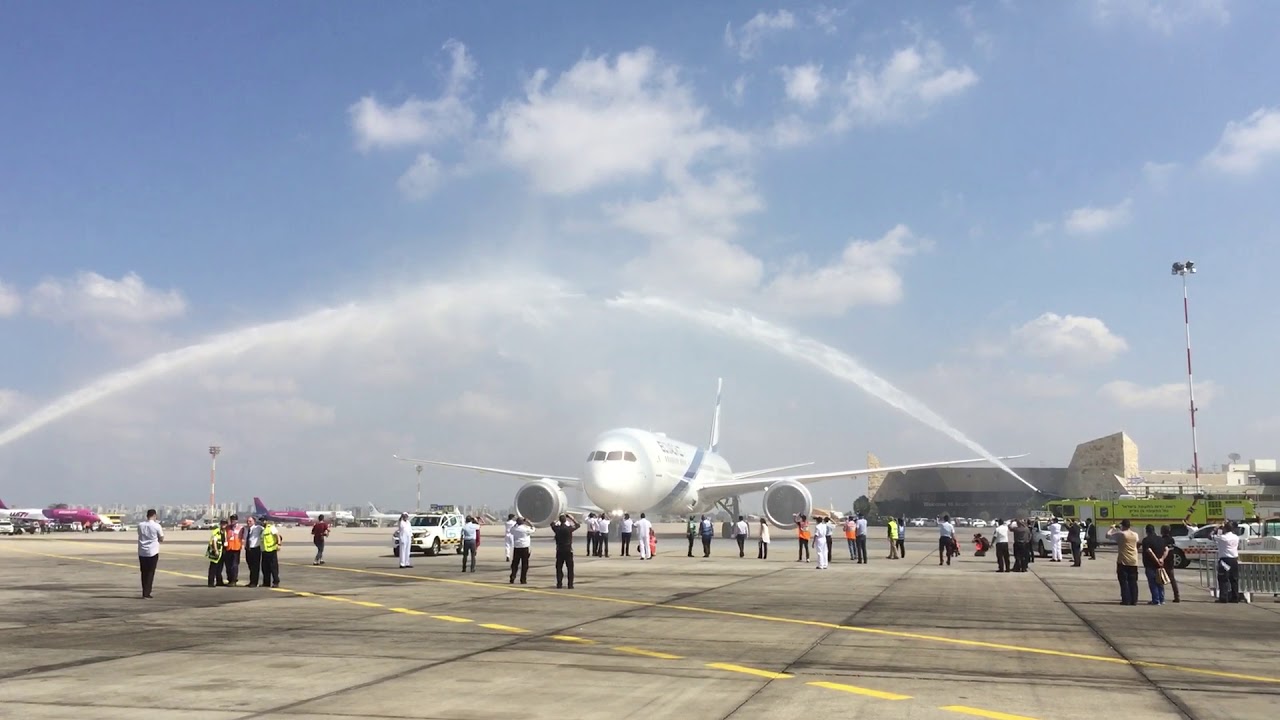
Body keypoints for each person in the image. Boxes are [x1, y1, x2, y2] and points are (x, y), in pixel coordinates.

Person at [1107, 519, 1140, 605]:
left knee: (1124, 581)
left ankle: (1126, 599)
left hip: (1123, 560)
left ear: (1123, 526)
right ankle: (1134, 600)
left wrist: (1112, 528)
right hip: (1134, 560)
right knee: (1133, 581)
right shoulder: (1135, 535)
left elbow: (1108, 536)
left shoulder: (1121, 534)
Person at [137, 509, 164, 599]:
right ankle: (147, 592)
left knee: (143, 572)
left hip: (142, 551)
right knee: (150, 573)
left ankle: (144, 591)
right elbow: (161, 538)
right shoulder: (157, 526)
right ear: (154, 515)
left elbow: (140, 535)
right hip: (152, 551)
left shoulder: (140, 525)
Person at [1139, 524, 1168, 605]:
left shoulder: (1146, 540)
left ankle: (1156, 600)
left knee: (1153, 583)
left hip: (1150, 564)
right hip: (1160, 564)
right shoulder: (1161, 539)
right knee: (1160, 582)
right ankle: (1162, 599)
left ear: (1147, 531)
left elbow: (1149, 551)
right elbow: (1167, 549)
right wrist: (1162, 559)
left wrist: (1156, 560)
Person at [1214, 521, 1241, 603]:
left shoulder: (1222, 538)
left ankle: (1223, 597)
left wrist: (1217, 528)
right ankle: (1235, 597)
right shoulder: (1236, 537)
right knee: (1234, 579)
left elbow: (1210, 536)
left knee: (1223, 579)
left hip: (1225, 560)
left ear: (1225, 529)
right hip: (1234, 559)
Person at [552, 514, 580, 589]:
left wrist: (557, 519)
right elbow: (577, 525)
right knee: (570, 568)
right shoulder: (569, 528)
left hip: (560, 550)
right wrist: (572, 518)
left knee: (559, 568)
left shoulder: (557, 529)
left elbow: (552, 524)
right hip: (568, 550)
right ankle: (570, 584)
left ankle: (559, 584)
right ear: (566, 521)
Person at [1159, 525, 1181, 602]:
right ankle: (1177, 596)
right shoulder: (1172, 539)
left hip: (1164, 560)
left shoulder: (1162, 540)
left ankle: (1161, 597)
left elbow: (1163, 550)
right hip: (1171, 560)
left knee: (1160, 579)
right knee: (1172, 579)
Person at [509, 517, 534, 584]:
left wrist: (516, 524)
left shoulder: (515, 529)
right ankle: (523, 579)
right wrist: (529, 523)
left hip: (517, 547)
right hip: (525, 547)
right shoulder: (526, 529)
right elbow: (533, 529)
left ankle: (513, 576)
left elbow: (511, 530)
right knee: (524, 564)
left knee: (515, 563)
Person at [260, 519, 282, 588]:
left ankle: (276, 582)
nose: (262, 522)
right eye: (261, 521)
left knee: (273, 567)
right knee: (265, 568)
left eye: (263, 520)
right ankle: (266, 582)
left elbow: (277, 536)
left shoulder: (271, 527)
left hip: (271, 550)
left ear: (266, 521)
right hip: (265, 551)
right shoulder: (263, 530)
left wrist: (279, 544)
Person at [243, 516, 263, 587]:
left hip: (255, 549)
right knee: (250, 566)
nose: (248, 522)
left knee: (255, 567)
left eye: (250, 521)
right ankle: (251, 581)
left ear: (254, 522)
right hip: (248, 549)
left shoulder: (258, 528)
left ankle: (254, 582)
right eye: (247, 521)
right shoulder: (245, 529)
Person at [206, 520, 227, 587]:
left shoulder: (225, 532)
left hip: (222, 551)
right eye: (222, 523)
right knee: (213, 567)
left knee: (220, 567)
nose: (224, 525)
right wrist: (215, 550)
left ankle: (219, 581)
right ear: (220, 524)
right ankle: (211, 582)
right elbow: (213, 541)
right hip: (216, 551)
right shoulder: (216, 531)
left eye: (225, 523)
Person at [224, 514, 243, 585]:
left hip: (236, 548)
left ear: (237, 520)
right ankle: (230, 579)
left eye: (234, 520)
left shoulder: (241, 528)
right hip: (228, 548)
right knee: (228, 565)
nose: (233, 521)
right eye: (232, 520)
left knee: (234, 565)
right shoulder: (227, 528)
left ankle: (234, 580)